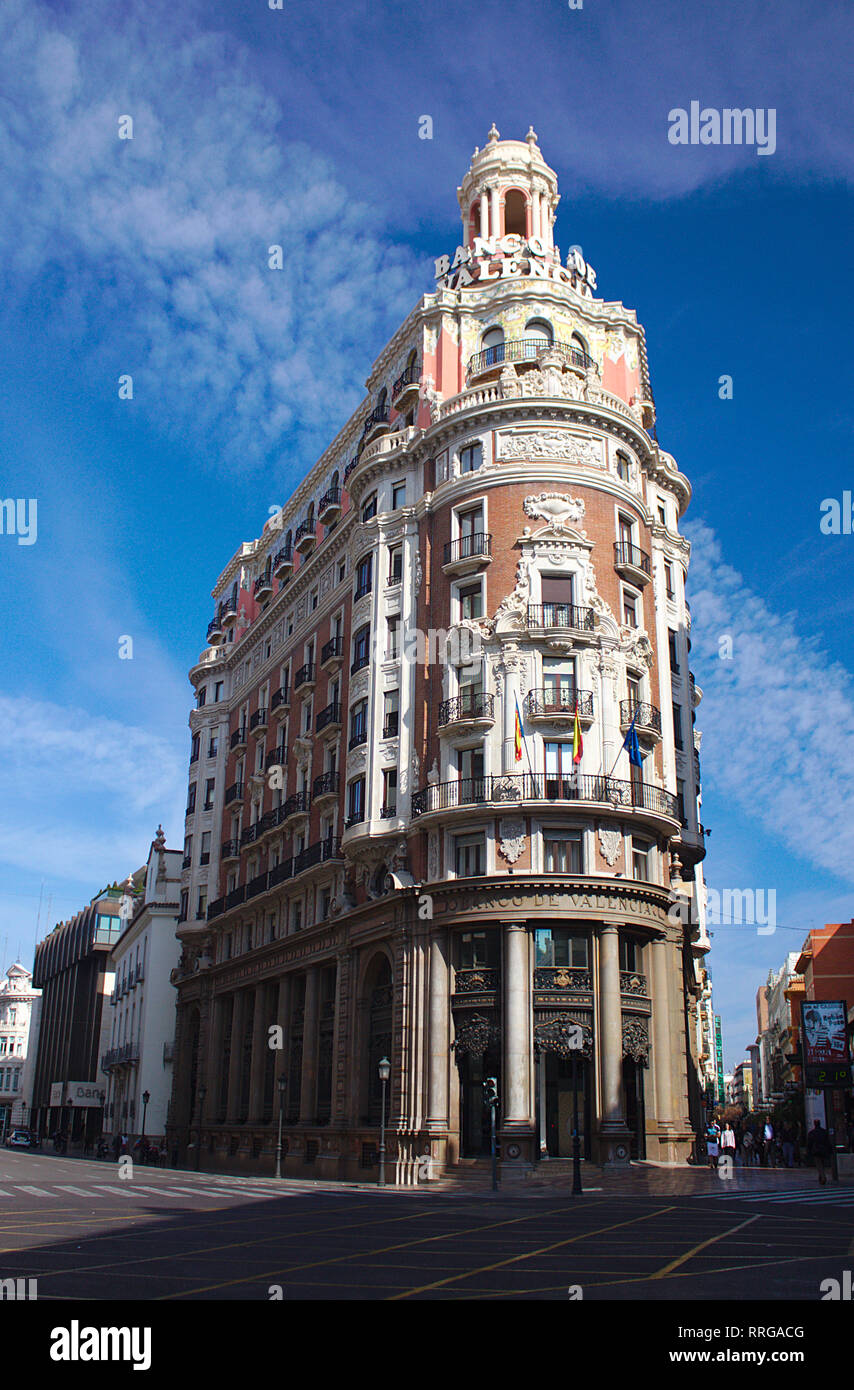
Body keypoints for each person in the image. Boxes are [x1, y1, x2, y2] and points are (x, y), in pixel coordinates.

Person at [806, 1118, 831, 1185]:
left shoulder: (812, 1133)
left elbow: (809, 1143)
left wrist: (809, 1151)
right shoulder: (824, 1132)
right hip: (823, 1149)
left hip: (816, 1150)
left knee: (819, 1164)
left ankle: (822, 1177)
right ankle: (821, 1176)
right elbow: (827, 1141)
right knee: (822, 1164)